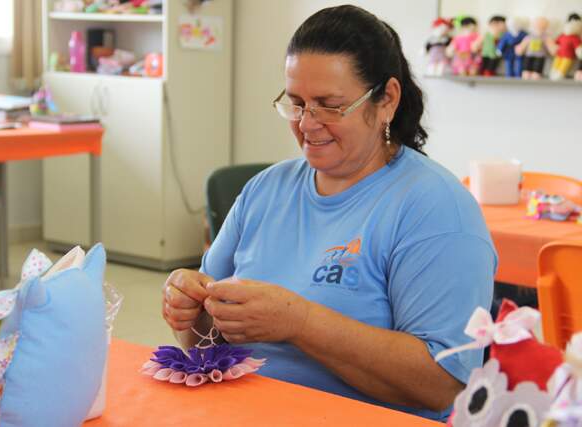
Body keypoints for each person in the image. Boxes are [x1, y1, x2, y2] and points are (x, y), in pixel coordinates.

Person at [161, 5, 496, 422]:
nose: (307, 123)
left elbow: (442, 382)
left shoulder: (435, 208)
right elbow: (203, 343)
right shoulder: (266, 190)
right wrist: (188, 308)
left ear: (387, 100)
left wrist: (299, 322)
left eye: (329, 105)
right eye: (296, 103)